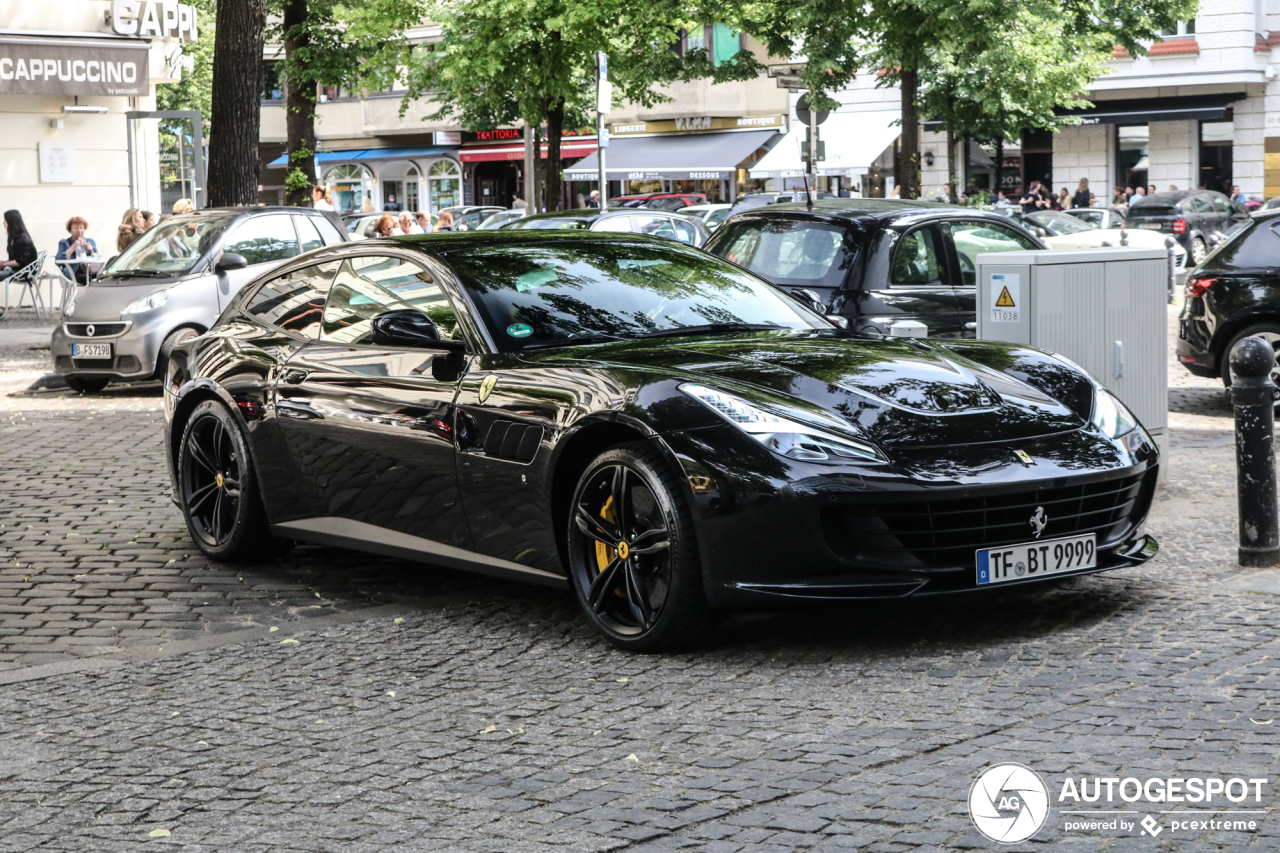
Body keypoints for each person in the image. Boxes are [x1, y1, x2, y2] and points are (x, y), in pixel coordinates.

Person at [56, 216, 99, 285]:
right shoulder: (64, 242)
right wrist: (74, 246)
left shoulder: (90, 241)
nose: (79, 230)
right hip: (73, 272)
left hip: (89, 270)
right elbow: (58, 261)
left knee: (100, 278)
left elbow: (98, 259)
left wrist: (91, 250)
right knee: (88, 280)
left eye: (81, 228)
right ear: (70, 230)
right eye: (76, 228)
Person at [0, 210, 38, 281]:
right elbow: (15, 258)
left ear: (11, 222)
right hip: (16, 270)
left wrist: (3, 264)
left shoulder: (23, 239)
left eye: (5, 220)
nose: (3, 223)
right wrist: (4, 263)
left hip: (23, 272)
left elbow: (19, 262)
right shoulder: (16, 238)